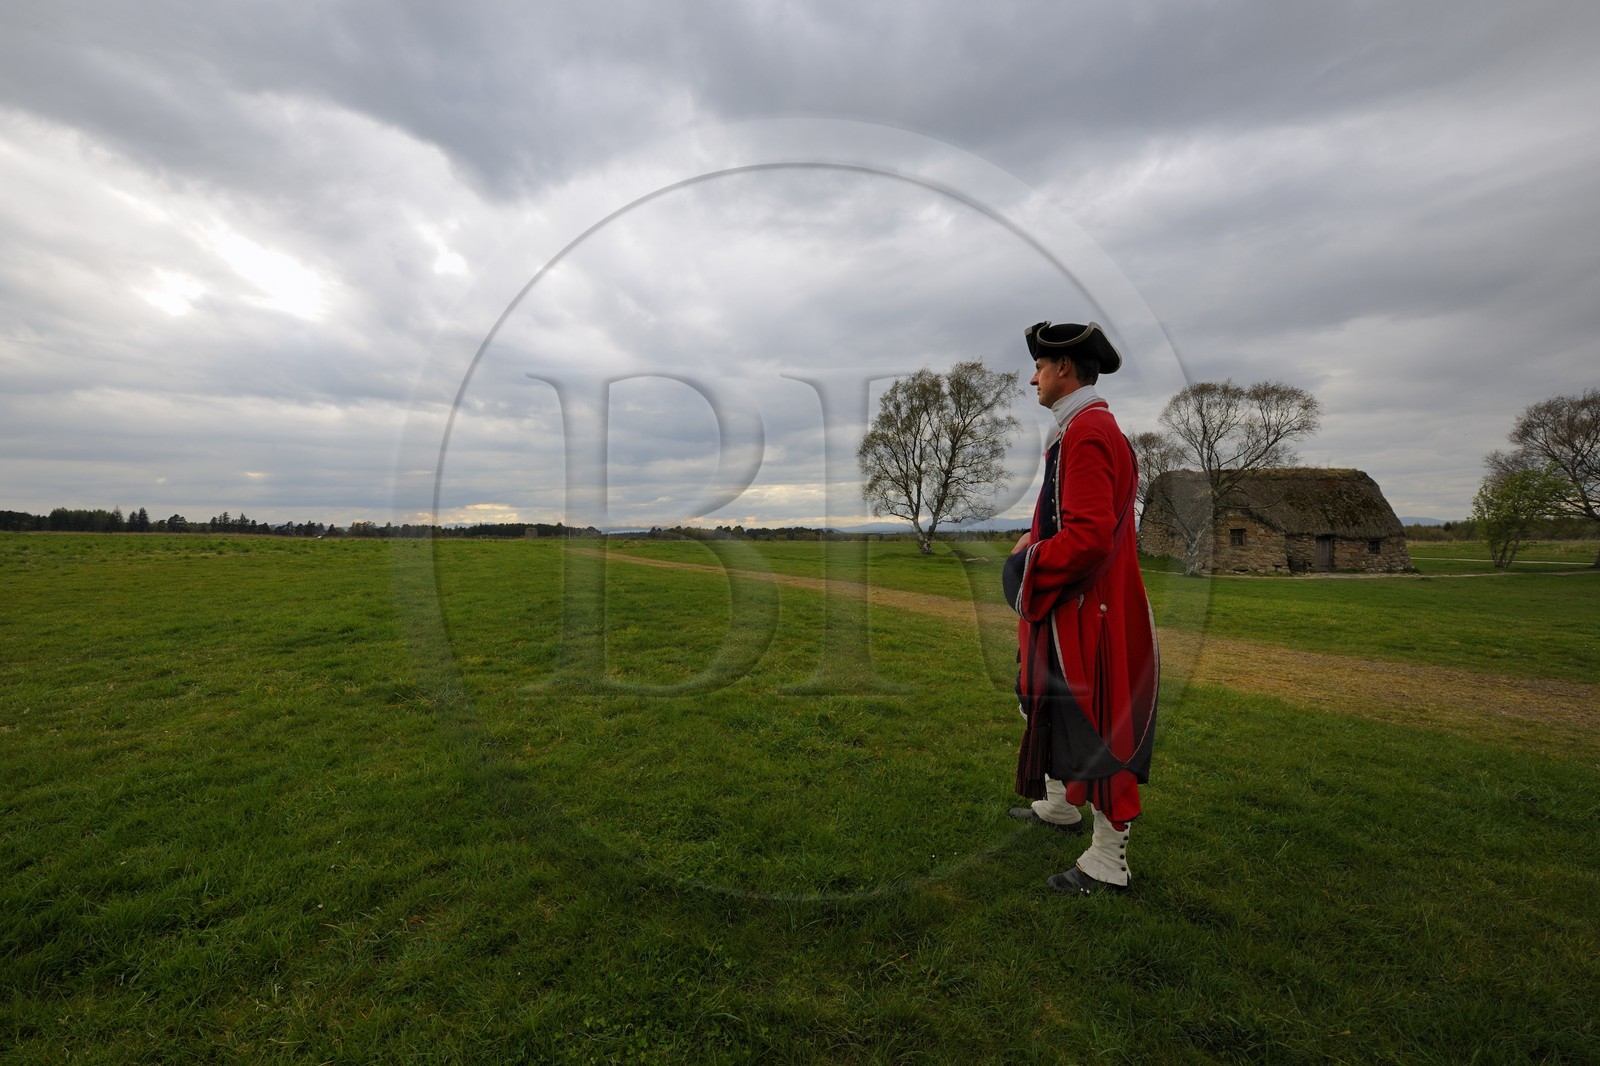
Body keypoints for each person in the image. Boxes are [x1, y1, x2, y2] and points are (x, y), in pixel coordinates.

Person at [1002, 320, 1159, 895]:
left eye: (1040, 367)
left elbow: (1089, 537)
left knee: (1095, 724)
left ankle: (1108, 861)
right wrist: (1032, 537)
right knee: (1044, 702)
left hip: (1086, 611)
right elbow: (1065, 518)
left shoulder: (1089, 432)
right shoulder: (1083, 428)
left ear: (1064, 368)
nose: (1033, 378)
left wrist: (1025, 568)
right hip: (1076, 605)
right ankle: (1058, 807)